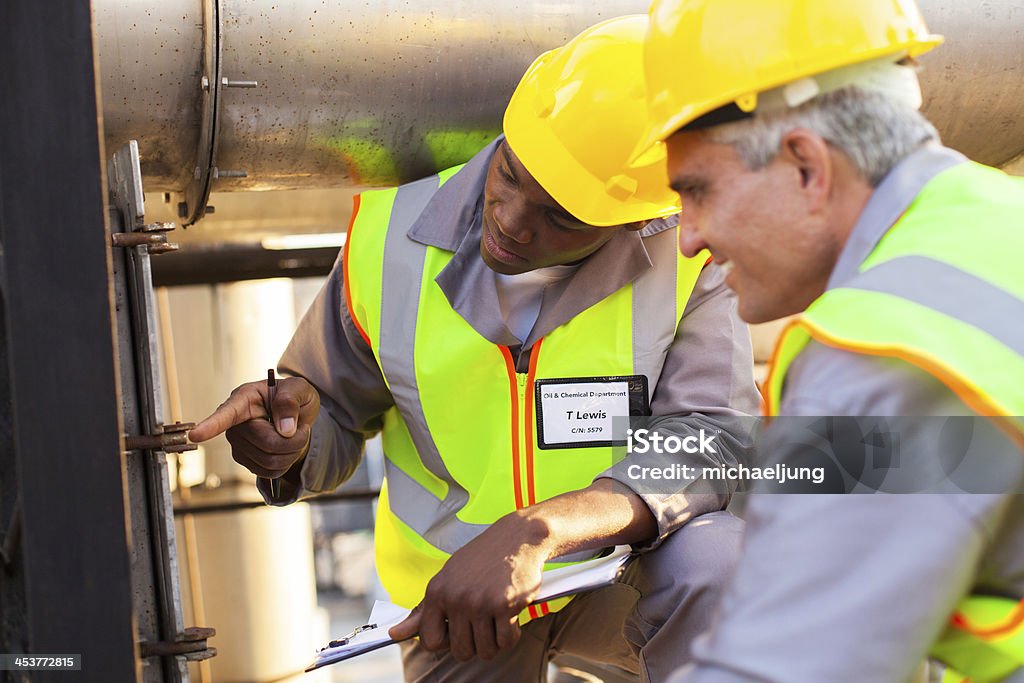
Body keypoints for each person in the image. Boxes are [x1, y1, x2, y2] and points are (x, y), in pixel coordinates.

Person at [189, 16, 759, 682]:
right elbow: (332, 413)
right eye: (510, 173)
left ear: (632, 219)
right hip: (461, 602)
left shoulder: (687, 256)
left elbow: (710, 439)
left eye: (560, 216)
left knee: (723, 566)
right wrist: (289, 442)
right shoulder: (390, 235)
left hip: (620, 573)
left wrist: (541, 529)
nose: (511, 220)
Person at [633, 0, 1024, 681]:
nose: (688, 236)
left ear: (806, 167)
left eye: (696, 191)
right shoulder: (997, 220)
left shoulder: (883, 349)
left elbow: (782, 668)